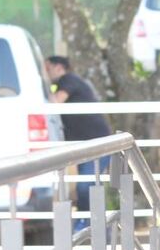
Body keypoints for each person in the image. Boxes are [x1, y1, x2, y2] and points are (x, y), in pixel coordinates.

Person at [43, 56, 113, 231]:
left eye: (48, 68)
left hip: (96, 144)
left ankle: (88, 225)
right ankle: (89, 226)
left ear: (59, 67)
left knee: (86, 187)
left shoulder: (70, 79)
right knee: (86, 187)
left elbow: (56, 102)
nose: (46, 72)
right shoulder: (67, 83)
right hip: (86, 145)